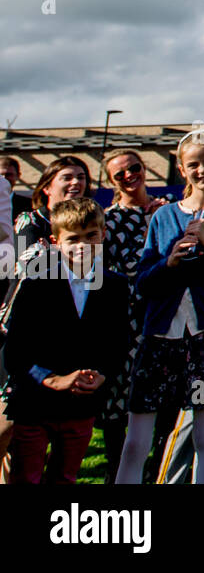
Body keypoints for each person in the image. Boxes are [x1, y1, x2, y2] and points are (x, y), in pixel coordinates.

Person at [115, 130, 204, 485]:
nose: (202, 170)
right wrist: (170, 263)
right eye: (193, 164)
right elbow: (143, 283)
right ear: (181, 168)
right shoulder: (163, 217)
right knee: (137, 440)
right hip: (161, 335)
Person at [2, 198, 130, 484]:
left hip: (81, 404)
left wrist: (103, 375)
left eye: (91, 236)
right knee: (26, 477)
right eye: (72, 239)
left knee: (65, 477)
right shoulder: (36, 284)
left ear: (103, 234)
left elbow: (118, 341)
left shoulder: (115, 285)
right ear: (55, 241)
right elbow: (15, 351)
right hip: (34, 403)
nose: (82, 245)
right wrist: (53, 379)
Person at [97, 148, 166, 483]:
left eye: (133, 168)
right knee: (119, 400)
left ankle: (158, 469)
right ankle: (118, 472)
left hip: (163, 317)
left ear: (144, 169)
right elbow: (116, 270)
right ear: (111, 181)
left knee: (162, 397)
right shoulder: (108, 221)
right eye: (119, 174)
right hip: (125, 320)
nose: (128, 176)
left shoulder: (167, 211)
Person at [14, 156, 92, 250]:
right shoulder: (31, 221)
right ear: (47, 188)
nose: (76, 182)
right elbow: (25, 260)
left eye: (81, 177)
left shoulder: (95, 220)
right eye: (67, 178)